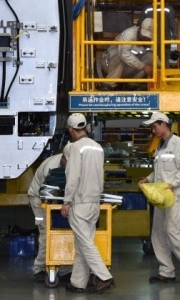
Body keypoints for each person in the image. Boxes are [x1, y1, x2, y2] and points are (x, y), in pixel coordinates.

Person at [138, 111, 180, 284]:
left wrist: (172, 184)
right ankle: (166, 271)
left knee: (171, 230)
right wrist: (148, 179)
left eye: (154, 126)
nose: (153, 130)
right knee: (157, 233)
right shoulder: (160, 146)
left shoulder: (179, 143)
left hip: (174, 195)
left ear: (163, 124)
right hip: (161, 196)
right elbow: (159, 171)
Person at [60, 113, 115, 294]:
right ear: (85, 127)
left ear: (70, 129)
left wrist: (67, 201)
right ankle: (78, 282)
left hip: (80, 202)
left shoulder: (76, 147)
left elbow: (73, 176)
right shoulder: (97, 147)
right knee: (82, 243)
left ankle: (105, 276)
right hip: (94, 202)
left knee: (85, 243)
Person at [28, 152, 71, 283]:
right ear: (63, 158)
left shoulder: (71, 162)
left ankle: (65, 270)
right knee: (46, 233)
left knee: (64, 232)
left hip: (56, 200)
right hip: (38, 200)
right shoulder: (51, 167)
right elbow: (46, 193)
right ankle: (39, 269)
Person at [99, 18, 154, 87]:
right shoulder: (129, 34)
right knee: (119, 54)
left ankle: (132, 85)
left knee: (150, 57)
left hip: (128, 68)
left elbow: (154, 58)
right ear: (140, 29)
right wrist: (143, 66)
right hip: (110, 65)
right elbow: (124, 55)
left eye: (148, 37)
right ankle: (110, 84)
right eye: (144, 35)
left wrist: (162, 67)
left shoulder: (152, 40)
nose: (145, 38)